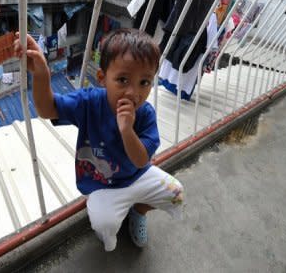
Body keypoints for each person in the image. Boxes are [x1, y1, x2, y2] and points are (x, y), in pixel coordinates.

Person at [14, 28, 184, 251]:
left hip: (136, 175)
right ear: (103, 78)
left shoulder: (145, 114)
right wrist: (41, 74)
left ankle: (138, 212)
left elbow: (142, 160)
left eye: (144, 82)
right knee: (105, 224)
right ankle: (114, 227)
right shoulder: (89, 102)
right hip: (102, 185)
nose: (133, 92)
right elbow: (48, 109)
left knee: (176, 193)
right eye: (123, 80)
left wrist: (127, 130)